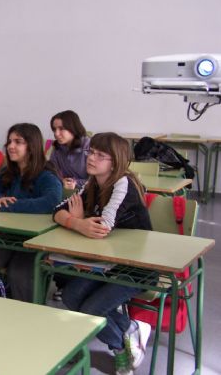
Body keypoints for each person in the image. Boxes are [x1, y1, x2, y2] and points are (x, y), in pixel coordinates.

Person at [52, 132, 152, 375]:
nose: (91, 158)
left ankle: (120, 350)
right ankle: (130, 330)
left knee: (89, 311)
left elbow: (102, 227)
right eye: (91, 152)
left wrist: (80, 220)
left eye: (100, 155)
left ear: (115, 162)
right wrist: (76, 222)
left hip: (136, 267)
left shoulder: (123, 183)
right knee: (71, 297)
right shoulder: (93, 183)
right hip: (106, 263)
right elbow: (57, 211)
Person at [0, 123, 62, 302]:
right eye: (10, 141)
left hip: (35, 241)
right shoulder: (9, 172)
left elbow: (51, 202)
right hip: (9, 237)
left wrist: (8, 206)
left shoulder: (46, 174)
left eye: (18, 142)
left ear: (32, 146)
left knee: (19, 275)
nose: (11, 146)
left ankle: (22, 320)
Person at [49, 110, 90, 191]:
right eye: (54, 129)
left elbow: (98, 180)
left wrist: (76, 183)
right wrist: (62, 181)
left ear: (73, 128)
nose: (56, 134)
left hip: (89, 191)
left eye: (61, 129)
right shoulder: (57, 149)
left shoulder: (89, 147)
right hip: (65, 191)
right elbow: (52, 173)